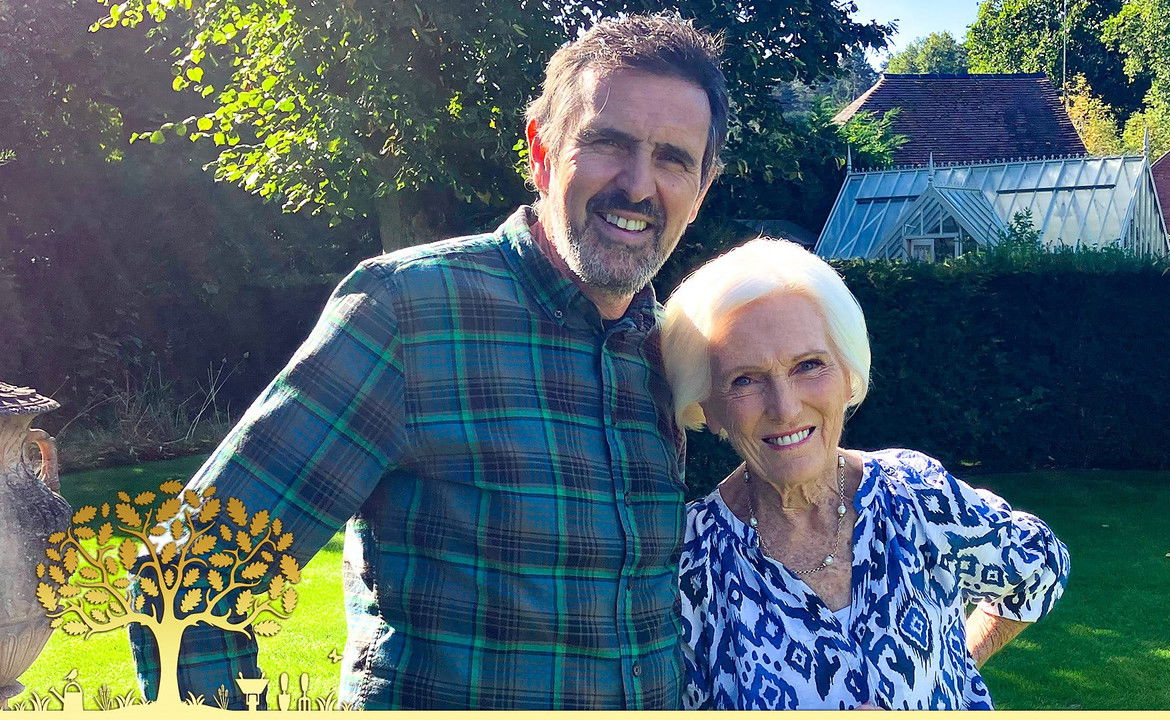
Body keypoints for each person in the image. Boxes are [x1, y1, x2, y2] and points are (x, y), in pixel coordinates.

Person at [129, 13, 728, 710]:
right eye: (607, 143)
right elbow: (185, 577)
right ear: (541, 150)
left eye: (673, 159)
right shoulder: (409, 312)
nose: (638, 184)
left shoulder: (668, 349)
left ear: (701, 189)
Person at [658, 238, 1070, 710]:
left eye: (808, 365)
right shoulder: (686, 563)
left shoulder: (916, 496)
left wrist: (956, 671)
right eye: (744, 380)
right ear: (708, 407)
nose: (785, 408)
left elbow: (1041, 565)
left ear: (847, 373)